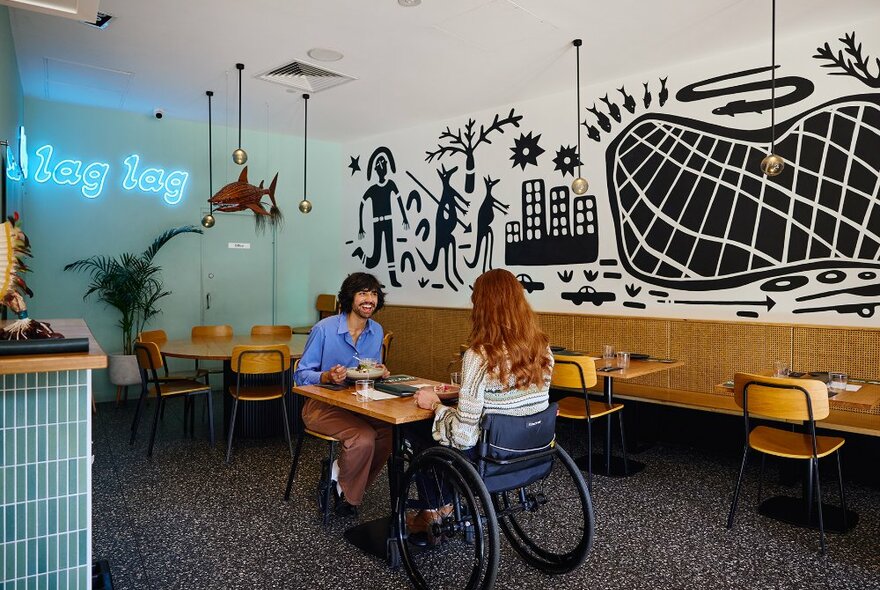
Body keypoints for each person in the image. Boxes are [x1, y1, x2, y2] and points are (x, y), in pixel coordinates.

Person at [407, 268, 554, 540]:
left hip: (491, 455)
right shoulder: (542, 348)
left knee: (417, 435)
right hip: (534, 449)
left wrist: (437, 406)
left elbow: (464, 437)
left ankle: (434, 510)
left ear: (482, 306)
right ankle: (444, 505)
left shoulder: (480, 355)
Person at [295, 272, 392, 517]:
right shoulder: (324, 329)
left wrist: (379, 372)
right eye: (362, 293)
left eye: (373, 293)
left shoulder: (377, 331)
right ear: (350, 298)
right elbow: (300, 375)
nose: (369, 299)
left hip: (359, 403)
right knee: (364, 437)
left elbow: (369, 369)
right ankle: (346, 497)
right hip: (320, 406)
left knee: (388, 434)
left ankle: (337, 478)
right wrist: (327, 376)